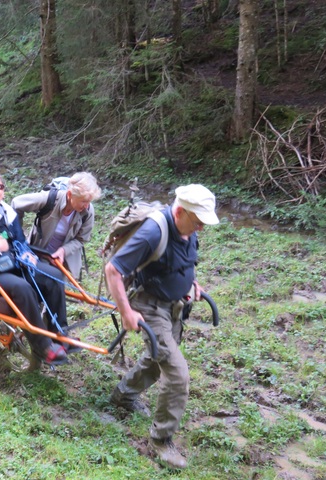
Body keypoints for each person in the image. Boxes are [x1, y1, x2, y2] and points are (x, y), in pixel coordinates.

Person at [104, 184, 219, 470]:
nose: (200, 229)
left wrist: (190, 284)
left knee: (158, 362)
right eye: (197, 222)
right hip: (149, 306)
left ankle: (123, 394)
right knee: (178, 374)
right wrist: (126, 311)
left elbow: (180, 261)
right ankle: (160, 440)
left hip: (174, 305)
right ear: (179, 211)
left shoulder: (188, 229)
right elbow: (113, 270)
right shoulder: (153, 232)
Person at [0, 170, 70, 364]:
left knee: (52, 274)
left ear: (3, 192)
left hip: (12, 265)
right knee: (22, 287)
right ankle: (42, 347)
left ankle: (59, 332)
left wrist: (27, 254)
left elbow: (19, 240)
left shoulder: (7, 213)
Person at [11, 173, 101, 280]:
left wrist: (64, 250)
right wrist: (19, 238)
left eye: (89, 202)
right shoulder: (50, 199)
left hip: (63, 261)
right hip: (38, 252)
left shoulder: (87, 211)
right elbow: (16, 204)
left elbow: (81, 239)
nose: (87, 206)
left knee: (56, 289)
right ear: (69, 195)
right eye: (84, 201)